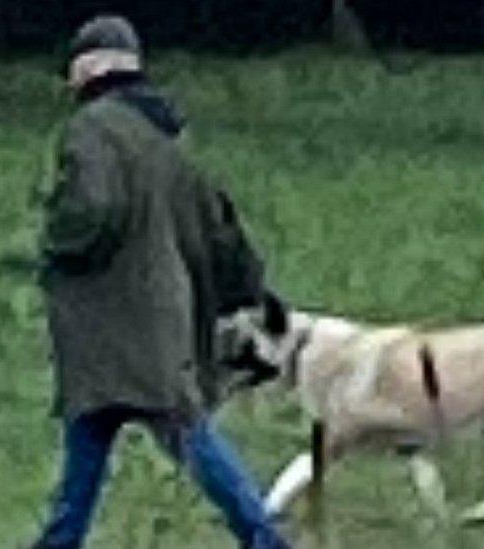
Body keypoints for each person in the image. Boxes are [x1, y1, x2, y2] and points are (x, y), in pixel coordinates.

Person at [31, 15, 290, 549]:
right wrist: (250, 293)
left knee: (174, 441)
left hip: (110, 326)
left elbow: (92, 211)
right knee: (119, 441)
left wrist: (56, 241)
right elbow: (218, 228)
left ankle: (265, 540)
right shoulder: (166, 139)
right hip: (161, 325)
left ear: (89, 66)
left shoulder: (92, 129)